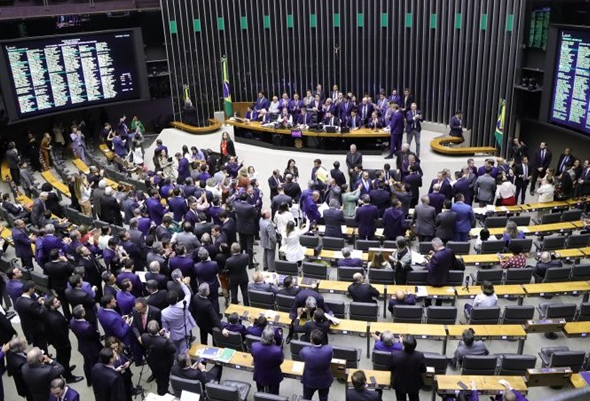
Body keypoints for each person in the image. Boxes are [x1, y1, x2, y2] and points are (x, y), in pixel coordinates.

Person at [43, 295, 83, 384]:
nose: (59, 302)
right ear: (51, 306)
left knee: (62, 358)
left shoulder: (48, 312)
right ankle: (68, 377)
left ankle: (66, 369)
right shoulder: (55, 320)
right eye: (56, 302)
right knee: (64, 358)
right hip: (62, 343)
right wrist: (66, 343)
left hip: (55, 341)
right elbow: (61, 335)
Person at [161, 275, 196, 356]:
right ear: (177, 298)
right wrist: (181, 283)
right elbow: (188, 293)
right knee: (184, 352)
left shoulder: (164, 312)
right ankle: (184, 363)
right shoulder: (184, 305)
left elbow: (165, 326)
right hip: (184, 331)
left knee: (175, 351)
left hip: (173, 335)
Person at [69, 305, 102, 387]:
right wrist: (97, 332)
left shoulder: (72, 321)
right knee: (94, 365)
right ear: (82, 314)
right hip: (92, 348)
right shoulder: (87, 327)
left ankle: (89, 381)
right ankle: (96, 382)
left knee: (87, 364)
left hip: (82, 346)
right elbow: (95, 336)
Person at [424, 238, 463, 305]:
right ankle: (438, 304)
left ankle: (428, 304)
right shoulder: (450, 251)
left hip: (434, 281)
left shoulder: (436, 257)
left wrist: (427, 262)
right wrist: (435, 254)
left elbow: (430, 268)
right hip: (445, 278)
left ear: (435, 246)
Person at [141, 320, 175, 396]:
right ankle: (164, 393)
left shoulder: (144, 336)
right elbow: (173, 350)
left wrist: (159, 334)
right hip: (164, 364)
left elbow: (153, 340)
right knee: (164, 380)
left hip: (152, 362)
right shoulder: (164, 341)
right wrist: (169, 338)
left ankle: (160, 390)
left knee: (158, 378)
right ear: (159, 328)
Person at [388, 335, 426, 401]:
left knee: (400, 399)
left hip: (399, 383)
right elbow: (423, 370)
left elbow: (389, 367)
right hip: (414, 383)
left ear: (404, 345)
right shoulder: (420, 355)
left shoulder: (395, 355)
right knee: (414, 398)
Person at [300, 329, 334, 401]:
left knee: (306, 398)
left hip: (309, 380)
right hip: (324, 380)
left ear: (311, 340)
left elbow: (302, 357)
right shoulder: (329, 350)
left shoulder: (305, 351)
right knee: (324, 398)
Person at [251, 327, 284, 395]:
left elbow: (253, 355)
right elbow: (280, 361)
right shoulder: (277, 350)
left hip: (259, 374)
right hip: (273, 376)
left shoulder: (254, 346)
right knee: (274, 394)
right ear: (273, 338)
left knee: (260, 392)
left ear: (262, 336)